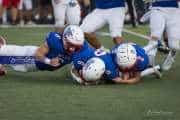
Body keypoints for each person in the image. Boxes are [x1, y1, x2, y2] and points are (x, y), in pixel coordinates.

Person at [0, 25, 85, 76]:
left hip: (36, 66)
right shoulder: (55, 40)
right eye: (70, 44)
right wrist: (49, 61)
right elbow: (38, 54)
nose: (72, 48)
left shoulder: (82, 50)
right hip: (31, 56)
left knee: (11, 62)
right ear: (64, 39)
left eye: (76, 46)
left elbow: (80, 65)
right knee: (5, 52)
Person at [145, 0, 180, 71]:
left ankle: (171, 57)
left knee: (174, 45)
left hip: (175, 11)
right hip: (157, 8)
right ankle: (150, 60)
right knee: (155, 35)